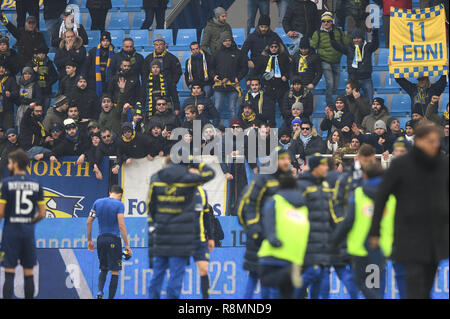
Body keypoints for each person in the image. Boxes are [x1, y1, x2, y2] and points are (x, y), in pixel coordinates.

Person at [369, 123, 449, 299]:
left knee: (426, 288)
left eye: (437, 141)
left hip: (436, 237)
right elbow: (382, 197)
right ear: (418, 141)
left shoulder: (443, 165)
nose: (436, 144)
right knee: (414, 288)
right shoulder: (401, 165)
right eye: (431, 141)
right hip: (409, 236)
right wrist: (375, 231)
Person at [147, 156, 216, 299]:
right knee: (176, 277)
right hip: (182, 237)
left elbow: (151, 208)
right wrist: (194, 160)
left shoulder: (156, 178)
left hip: (162, 235)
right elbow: (211, 173)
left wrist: (158, 224)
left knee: (157, 276)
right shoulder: (188, 179)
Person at [237, 147, 292, 299]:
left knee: (273, 279)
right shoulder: (263, 179)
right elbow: (248, 206)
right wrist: (254, 230)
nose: (286, 162)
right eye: (282, 159)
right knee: (255, 276)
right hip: (259, 238)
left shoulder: (287, 181)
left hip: (278, 238)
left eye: (288, 158)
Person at [330, 161, 390, 299]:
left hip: (360, 248)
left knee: (360, 281)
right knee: (373, 284)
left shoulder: (358, 194)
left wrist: (334, 241)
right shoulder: (390, 195)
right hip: (381, 249)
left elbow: (348, 221)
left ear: (365, 176)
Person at [0, 149, 46, 299]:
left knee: (9, 273)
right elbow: (42, 213)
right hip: (27, 232)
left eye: (10, 163)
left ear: (16, 163)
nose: (8, 166)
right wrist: (29, 222)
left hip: (11, 232)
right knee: (28, 273)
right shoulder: (36, 184)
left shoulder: (6, 184)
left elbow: (1, 213)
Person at [258, 173, 309, 299]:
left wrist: (272, 240)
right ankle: (289, 275)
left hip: (274, 252)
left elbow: (268, 224)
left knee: (265, 280)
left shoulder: (275, 200)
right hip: (296, 256)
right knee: (287, 294)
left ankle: (287, 274)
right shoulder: (304, 207)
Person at [295, 154, 339, 299]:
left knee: (322, 279)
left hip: (325, 241)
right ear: (315, 167)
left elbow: (331, 213)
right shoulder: (302, 186)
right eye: (323, 165)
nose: (327, 168)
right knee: (308, 277)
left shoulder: (326, 186)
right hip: (307, 242)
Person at [87, 185, 132, 299]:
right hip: (114, 239)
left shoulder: (97, 203)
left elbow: (89, 222)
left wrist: (89, 240)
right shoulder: (119, 205)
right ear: (120, 195)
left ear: (110, 192)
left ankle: (99, 292)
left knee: (103, 268)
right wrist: (127, 244)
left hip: (100, 239)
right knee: (115, 271)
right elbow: (121, 225)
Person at [310, 12, 350, 106]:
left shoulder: (339, 31)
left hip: (336, 61)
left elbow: (347, 43)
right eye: (323, 21)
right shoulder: (317, 33)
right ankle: (330, 105)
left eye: (328, 21)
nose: (326, 23)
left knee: (335, 85)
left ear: (332, 22)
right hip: (324, 61)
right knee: (330, 83)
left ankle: (334, 103)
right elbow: (312, 47)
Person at [330, 28, 378, 101]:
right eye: (354, 38)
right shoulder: (348, 48)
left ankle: (369, 113)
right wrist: (331, 35)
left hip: (366, 78)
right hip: (353, 78)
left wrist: (375, 33)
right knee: (351, 101)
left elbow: (375, 44)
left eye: (358, 38)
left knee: (369, 100)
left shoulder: (367, 47)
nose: (356, 40)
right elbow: (336, 46)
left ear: (362, 38)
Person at [211, 32, 248, 121]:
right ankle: (215, 129)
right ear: (221, 41)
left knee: (232, 109)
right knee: (217, 108)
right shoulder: (216, 53)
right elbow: (211, 68)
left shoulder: (238, 53)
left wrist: (238, 78)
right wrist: (214, 76)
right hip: (219, 86)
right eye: (225, 40)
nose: (227, 42)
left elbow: (244, 68)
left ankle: (234, 130)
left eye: (229, 40)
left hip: (233, 86)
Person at [143, 36, 182, 114]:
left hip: (168, 88)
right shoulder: (148, 58)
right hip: (152, 89)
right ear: (154, 46)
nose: (158, 46)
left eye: (160, 44)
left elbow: (178, 72)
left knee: (168, 110)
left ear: (164, 45)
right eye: (156, 44)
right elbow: (144, 73)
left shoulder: (172, 58)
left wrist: (172, 82)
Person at [191, 187, 216, 299]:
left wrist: (210, 237)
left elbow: (207, 217)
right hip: (182, 239)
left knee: (204, 269)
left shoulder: (201, 193)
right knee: (177, 272)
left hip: (199, 239)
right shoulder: (178, 191)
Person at [253, 40, 290, 114]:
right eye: (272, 47)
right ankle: (270, 124)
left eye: (275, 47)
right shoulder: (264, 58)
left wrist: (286, 76)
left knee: (284, 109)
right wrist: (256, 79)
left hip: (281, 86)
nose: (274, 48)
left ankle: (287, 124)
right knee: (269, 109)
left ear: (279, 48)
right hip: (268, 87)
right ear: (268, 48)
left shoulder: (284, 57)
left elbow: (290, 69)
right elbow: (256, 70)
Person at [83, 31, 114, 97]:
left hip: (107, 82)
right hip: (93, 81)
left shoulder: (113, 53)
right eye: (103, 41)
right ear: (100, 41)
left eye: (107, 41)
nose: (105, 43)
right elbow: (86, 66)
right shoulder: (93, 51)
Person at [29, 45, 58, 111]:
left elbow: (55, 76)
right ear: (36, 54)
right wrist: (33, 72)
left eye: (43, 53)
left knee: (45, 111)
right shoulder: (31, 64)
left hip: (46, 91)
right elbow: (26, 77)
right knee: (35, 111)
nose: (41, 55)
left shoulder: (49, 63)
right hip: (34, 92)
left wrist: (48, 83)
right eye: (39, 53)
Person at [0, 63, 19, 130]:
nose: (1, 69)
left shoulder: (10, 79)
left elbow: (16, 92)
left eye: (3, 68)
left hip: (8, 109)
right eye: (0, 67)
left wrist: (10, 94)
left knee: (8, 130)